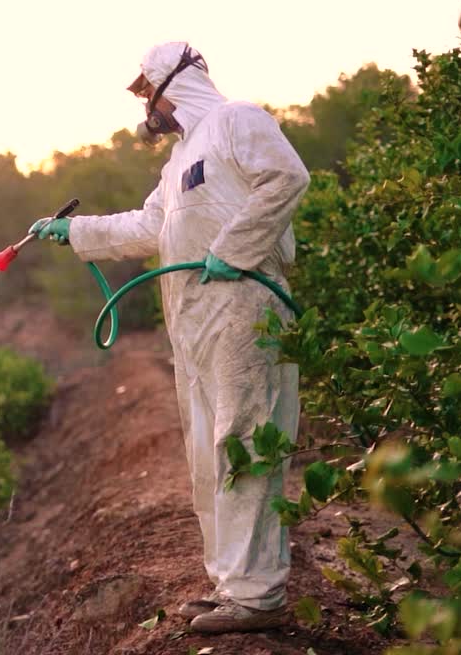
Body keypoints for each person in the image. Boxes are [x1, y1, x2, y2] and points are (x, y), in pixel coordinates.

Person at [30, 42, 310, 634]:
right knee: (211, 447)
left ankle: (257, 595)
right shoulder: (180, 159)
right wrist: (73, 230)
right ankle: (230, 583)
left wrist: (233, 252)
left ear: (171, 86)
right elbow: (147, 225)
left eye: (145, 93)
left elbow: (287, 178)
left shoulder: (237, 120)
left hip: (245, 306)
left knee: (246, 440)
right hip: (194, 321)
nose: (144, 108)